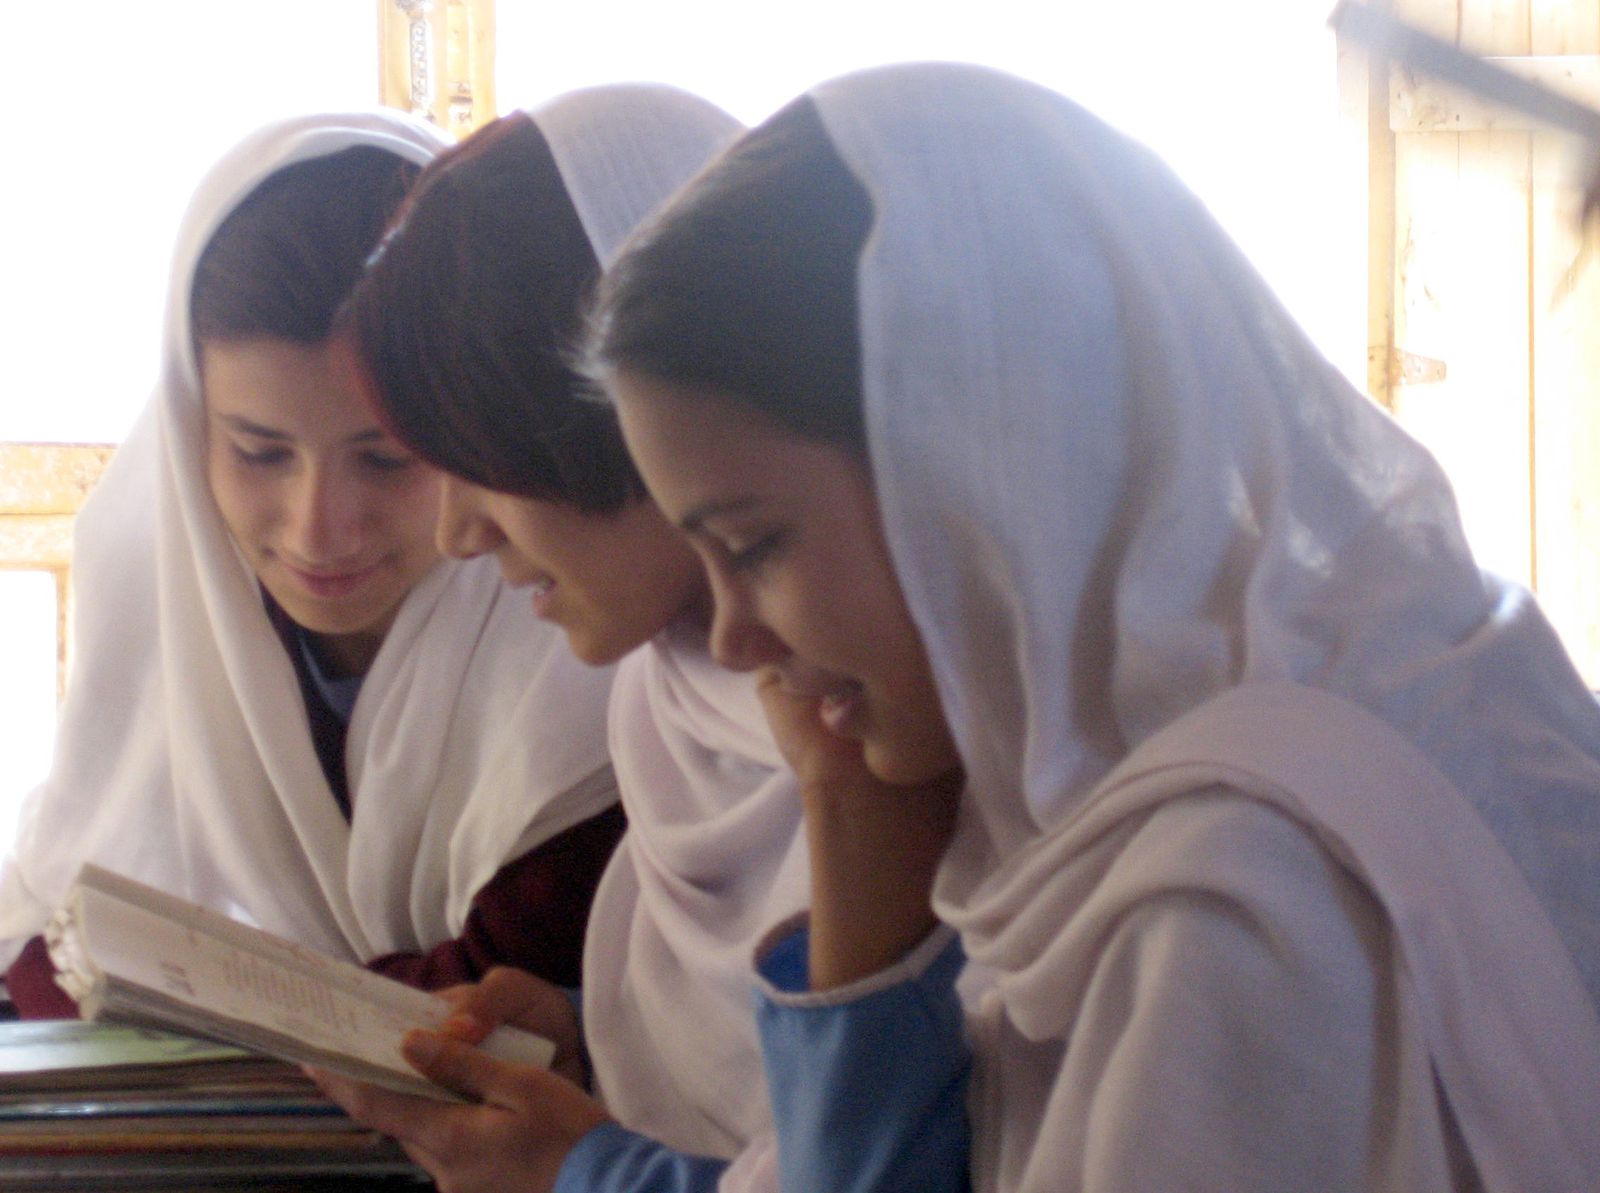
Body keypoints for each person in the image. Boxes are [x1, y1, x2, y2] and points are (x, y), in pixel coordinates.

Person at [589, 63, 1600, 1191]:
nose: (731, 641)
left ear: (966, 471)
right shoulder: (1392, 669)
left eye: (754, 544)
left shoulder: (1234, 900)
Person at [306, 85, 972, 1193]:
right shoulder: (669, 701)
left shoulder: (908, 728)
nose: (458, 532)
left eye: (484, 460)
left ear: (611, 429)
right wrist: (576, 1038)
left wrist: (590, 1170)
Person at [0, 110, 624, 1019]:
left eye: (387, 459)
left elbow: (517, 981)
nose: (318, 531)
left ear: (473, 425)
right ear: (187, 433)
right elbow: (58, 949)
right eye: (259, 451)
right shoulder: (157, 607)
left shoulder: (585, 642)